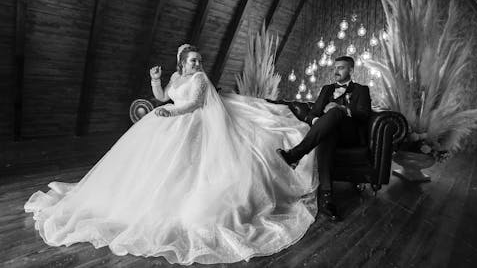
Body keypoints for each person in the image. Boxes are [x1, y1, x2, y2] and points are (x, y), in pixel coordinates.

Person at [25, 44, 318, 265]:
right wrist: (155, 81)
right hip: (169, 117)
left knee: (186, 167)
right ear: (181, 62)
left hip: (191, 121)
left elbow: (192, 105)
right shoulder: (178, 76)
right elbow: (165, 95)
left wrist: (170, 111)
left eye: (199, 60)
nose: (198, 63)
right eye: (193, 60)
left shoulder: (200, 79)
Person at [277, 56, 371, 220]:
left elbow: (364, 114)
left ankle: (296, 154)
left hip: (350, 134)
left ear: (351, 70)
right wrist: (316, 120)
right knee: (328, 135)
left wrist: (341, 109)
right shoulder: (327, 89)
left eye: (341, 68)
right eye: (335, 68)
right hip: (330, 132)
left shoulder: (362, 90)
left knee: (335, 112)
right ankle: (327, 199)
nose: (336, 71)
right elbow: (313, 114)